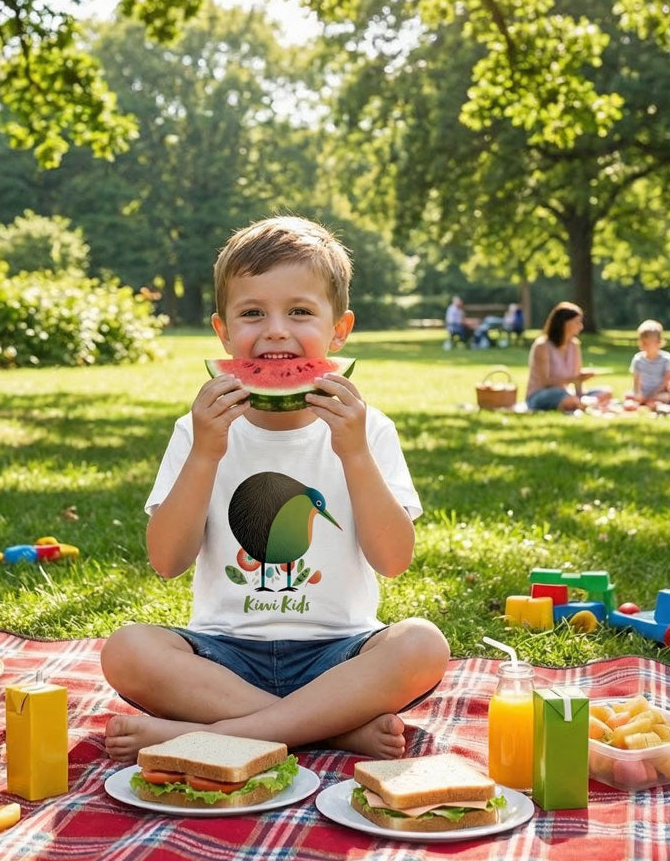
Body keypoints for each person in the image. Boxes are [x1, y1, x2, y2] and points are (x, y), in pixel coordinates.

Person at [101, 215, 450, 763]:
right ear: (222, 331)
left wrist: (354, 453)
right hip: (223, 656)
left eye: (301, 311)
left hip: (341, 652)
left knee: (422, 643)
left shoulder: (369, 428)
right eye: (252, 313)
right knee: (127, 650)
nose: (276, 330)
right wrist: (205, 453)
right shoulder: (199, 431)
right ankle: (329, 730)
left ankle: (218, 736)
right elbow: (167, 561)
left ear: (340, 330)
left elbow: (393, 560)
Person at [524, 302, 606, 412]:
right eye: (577, 322)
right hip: (541, 394)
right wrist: (573, 379)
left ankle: (580, 403)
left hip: (566, 393)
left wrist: (580, 393)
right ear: (564, 323)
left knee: (606, 392)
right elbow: (544, 382)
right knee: (566, 397)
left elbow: (577, 378)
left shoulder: (574, 345)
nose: (581, 327)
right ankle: (582, 404)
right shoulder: (542, 346)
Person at [626, 320, 670, 409]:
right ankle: (647, 403)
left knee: (667, 397)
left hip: (659, 393)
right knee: (628, 395)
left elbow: (667, 381)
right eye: (642, 342)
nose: (644, 346)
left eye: (647, 343)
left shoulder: (666, 359)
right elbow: (636, 382)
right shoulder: (638, 359)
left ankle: (649, 402)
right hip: (643, 392)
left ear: (659, 342)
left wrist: (652, 395)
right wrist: (638, 393)